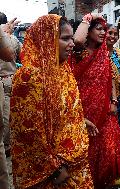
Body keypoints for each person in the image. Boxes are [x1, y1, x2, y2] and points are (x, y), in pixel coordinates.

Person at [10, 14, 95, 188]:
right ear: (46, 40)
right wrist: (55, 170)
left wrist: (80, 120)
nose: (72, 43)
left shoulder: (61, 68)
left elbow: (62, 107)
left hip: (76, 164)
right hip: (55, 172)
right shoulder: (30, 77)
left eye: (72, 38)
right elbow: (29, 132)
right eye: (65, 39)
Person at [70, 14, 120, 188]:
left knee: (107, 149)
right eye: (99, 29)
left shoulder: (102, 52)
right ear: (88, 30)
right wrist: (88, 18)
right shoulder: (78, 52)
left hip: (104, 108)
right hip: (83, 108)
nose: (104, 33)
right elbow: (77, 40)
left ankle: (103, 182)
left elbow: (109, 77)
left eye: (105, 30)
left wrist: (114, 100)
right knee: (87, 149)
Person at [0, 12, 22, 157]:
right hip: (11, 79)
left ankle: (7, 145)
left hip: (4, 81)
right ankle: (8, 145)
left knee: (5, 116)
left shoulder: (7, 38)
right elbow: (24, 54)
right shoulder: (12, 39)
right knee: (10, 115)